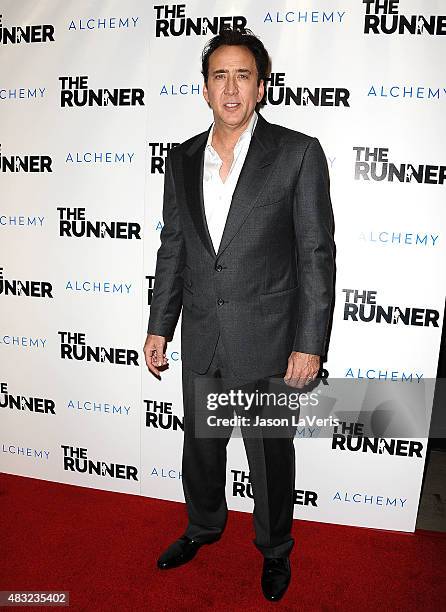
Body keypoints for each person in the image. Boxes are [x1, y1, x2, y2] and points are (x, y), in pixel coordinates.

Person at [143, 28, 335, 602]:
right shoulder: (180, 160)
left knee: (270, 455)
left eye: (243, 75)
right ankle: (203, 526)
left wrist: (310, 342)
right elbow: (173, 248)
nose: (230, 88)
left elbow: (315, 255)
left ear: (260, 86)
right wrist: (159, 325)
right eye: (219, 76)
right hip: (203, 334)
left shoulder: (298, 153)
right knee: (201, 446)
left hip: (271, 340)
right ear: (205, 88)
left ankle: (275, 550)